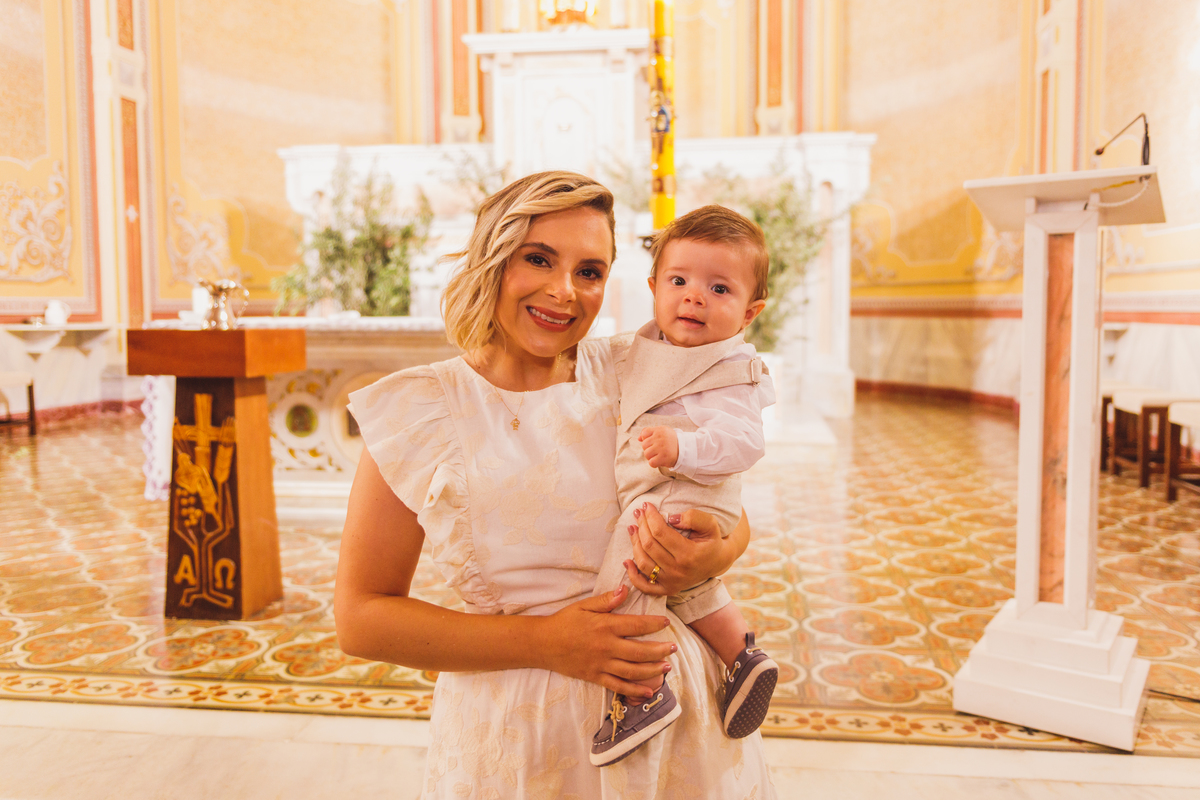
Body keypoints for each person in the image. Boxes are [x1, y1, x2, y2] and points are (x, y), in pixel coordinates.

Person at [335, 171, 776, 798]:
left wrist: (714, 553)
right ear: (493, 258)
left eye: (589, 271)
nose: (564, 291)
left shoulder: (641, 368)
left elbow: (724, 499)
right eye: (538, 259)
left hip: (682, 728)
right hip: (518, 740)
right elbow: (360, 618)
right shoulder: (422, 410)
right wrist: (546, 643)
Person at [590, 205, 779, 766]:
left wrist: (682, 449)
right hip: (668, 487)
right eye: (679, 281)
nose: (694, 297)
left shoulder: (729, 368)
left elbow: (746, 443)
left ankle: (642, 694)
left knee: (631, 568)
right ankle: (741, 656)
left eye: (719, 289)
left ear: (749, 312)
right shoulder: (649, 349)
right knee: (684, 583)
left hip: (689, 489)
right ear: (653, 288)